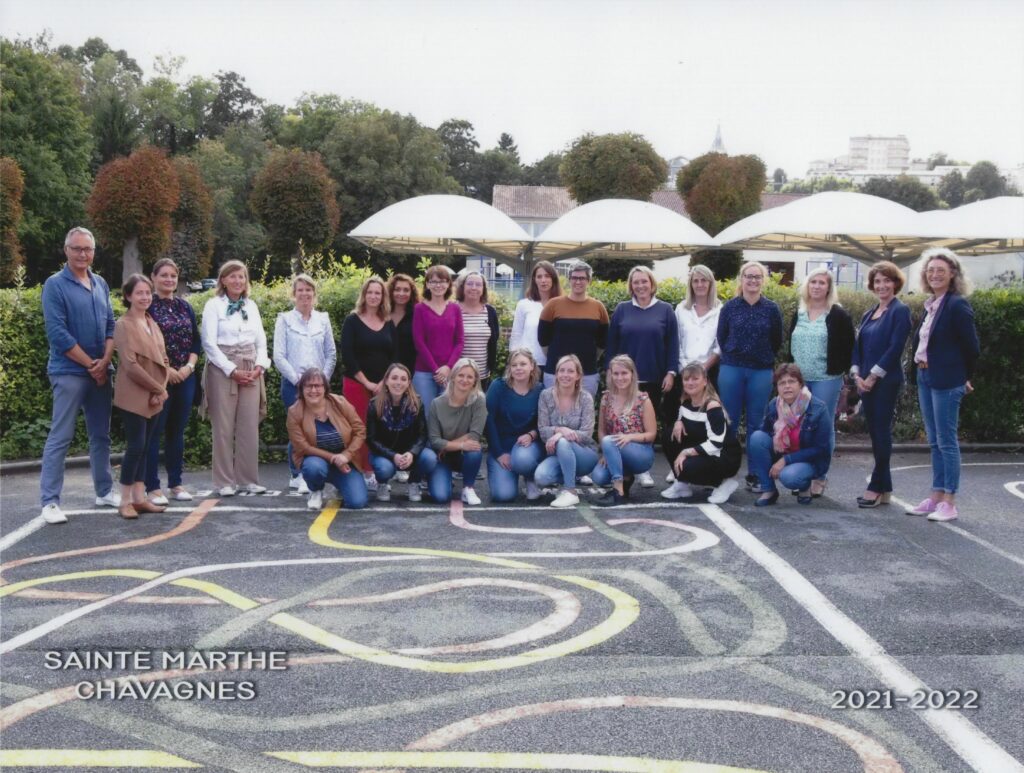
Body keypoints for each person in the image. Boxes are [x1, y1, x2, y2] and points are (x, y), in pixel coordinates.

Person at [39, 227, 120, 525]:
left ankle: (104, 492)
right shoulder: (55, 285)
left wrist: (105, 361)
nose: (82, 254)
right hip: (69, 372)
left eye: (87, 249)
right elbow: (57, 334)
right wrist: (91, 365)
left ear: (94, 252)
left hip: (100, 372)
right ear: (66, 250)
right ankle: (49, 502)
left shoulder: (100, 284)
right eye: (77, 248)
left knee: (101, 435)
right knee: (61, 436)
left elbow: (111, 325)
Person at [905, 248, 980, 522]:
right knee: (935, 441)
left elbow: (972, 347)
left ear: (952, 275)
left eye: (941, 270)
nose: (934, 274)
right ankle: (935, 496)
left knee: (947, 442)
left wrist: (965, 377)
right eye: (931, 270)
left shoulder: (957, 304)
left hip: (947, 380)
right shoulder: (932, 304)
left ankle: (949, 500)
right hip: (926, 376)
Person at [200, 260, 270, 497]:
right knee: (223, 427)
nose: (238, 281)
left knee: (249, 425)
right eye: (233, 277)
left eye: (241, 277)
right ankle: (223, 482)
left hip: (251, 367)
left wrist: (260, 365)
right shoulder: (213, 305)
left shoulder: (251, 306)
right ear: (223, 280)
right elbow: (209, 342)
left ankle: (247, 480)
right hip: (223, 369)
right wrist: (231, 369)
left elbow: (261, 340)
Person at [605, 265, 677, 488]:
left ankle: (643, 469)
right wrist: (610, 372)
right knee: (623, 424)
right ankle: (622, 468)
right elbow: (611, 345)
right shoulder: (622, 309)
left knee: (645, 427)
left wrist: (671, 372)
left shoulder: (665, 310)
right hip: (624, 380)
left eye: (644, 281)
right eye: (636, 282)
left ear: (651, 283)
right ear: (631, 286)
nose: (640, 286)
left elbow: (673, 344)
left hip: (654, 378)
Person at [786, 267, 854, 497]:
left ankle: (819, 477)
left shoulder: (837, 314)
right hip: (800, 380)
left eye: (822, 283)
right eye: (813, 282)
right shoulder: (800, 311)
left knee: (822, 430)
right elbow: (790, 345)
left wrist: (841, 371)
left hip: (827, 378)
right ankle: (803, 475)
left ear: (829, 287)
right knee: (800, 429)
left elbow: (849, 346)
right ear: (807, 285)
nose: (817, 286)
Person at [716, 261, 784, 488]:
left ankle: (755, 474)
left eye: (757, 277)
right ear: (741, 279)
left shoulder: (771, 309)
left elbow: (777, 340)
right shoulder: (730, 307)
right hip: (732, 368)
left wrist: (761, 357)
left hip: (761, 371)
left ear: (763, 280)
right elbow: (722, 337)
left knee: (757, 424)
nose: (753, 280)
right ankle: (726, 472)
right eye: (748, 276)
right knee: (729, 422)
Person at [851, 261, 912, 508]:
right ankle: (885, 489)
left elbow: (895, 348)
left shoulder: (900, 310)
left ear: (895, 283)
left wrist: (873, 376)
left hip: (885, 381)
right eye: (877, 281)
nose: (882, 285)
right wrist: (857, 375)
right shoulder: (869, 313)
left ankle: (876, 486)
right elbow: (858, 348)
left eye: (887, 280)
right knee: (875, 434)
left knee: (881, 432)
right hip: (864, 381)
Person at [112, 274, 171, 519]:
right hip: (134, 395)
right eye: (139, 293)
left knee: (146, 448)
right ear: (128, 296)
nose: (145, 297)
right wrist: (158, 389)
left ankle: (139, 498)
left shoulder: (152, 322)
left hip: (156, 395)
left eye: (147, 292)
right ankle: (124, 500)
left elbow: (165, 360)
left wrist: (162, 389)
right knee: (135, 447)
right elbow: (130, 364)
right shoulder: (123, 325)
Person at [273, 274, 337, 496]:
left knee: (316, 429)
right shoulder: (284, 319)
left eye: (309, 290)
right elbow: (278, 355)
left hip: (319, 386)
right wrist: (299, 381)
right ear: (294, 294)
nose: (304, 294)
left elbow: (331, 353)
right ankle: (297, 474)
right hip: (294, 384)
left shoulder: (323, 319)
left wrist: (322, 380)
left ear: (314, 294)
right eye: (300, 290)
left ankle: (311, 471)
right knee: (298, 430)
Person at [666, 264, 722, 485]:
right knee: (679, 420)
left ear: (710, 283)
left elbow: (720, 345)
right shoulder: (681, 309)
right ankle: (676, 467)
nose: (700, 285)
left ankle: (701, 467)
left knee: (703, 421)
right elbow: (676, 341)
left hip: (709, 372)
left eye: (704, 281)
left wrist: (703, 370)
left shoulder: (720, 309)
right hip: (683, 372)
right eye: (696, 281)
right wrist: (686, 372)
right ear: (691, 284)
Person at [748, 364, 834, 506]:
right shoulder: (774, 405)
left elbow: (820, 448)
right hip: (784, 453)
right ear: (777, 387)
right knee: (757, 438)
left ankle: (804, 485)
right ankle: (769, 490)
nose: (787, 386)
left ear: (800, 384)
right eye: (782, 383)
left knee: (789, 477)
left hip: (810, 461)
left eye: (791, 381)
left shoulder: (818, 408)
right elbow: (765, 433)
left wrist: (785, 460)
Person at [340, 276, 394, 492]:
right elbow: (348, 355)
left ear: (383, 297)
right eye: (370, 292)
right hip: (356, 383)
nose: (373, 296)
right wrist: (368, 383)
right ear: (364, 295)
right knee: (359, 428)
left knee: (381, 428)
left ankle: (380, 473)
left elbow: (394, 354)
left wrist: (382, 382)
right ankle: (363, 471)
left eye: (378, 293)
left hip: (384, 386)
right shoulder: (352, 321)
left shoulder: (388, 322)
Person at [287, 368, 368, 511]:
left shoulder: (340, 402)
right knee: (314, 468)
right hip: (316, 461)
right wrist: (334, 458)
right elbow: (302, 447)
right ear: (302, 389)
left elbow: (360, 430)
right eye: (308, 386)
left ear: (325, 388)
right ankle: (315, 490)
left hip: (345, 461)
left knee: (357, 502)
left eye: (318, 385)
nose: (313, 390)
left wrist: (346, 455)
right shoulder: (294, 412)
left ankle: (340, 487)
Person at [661, 363, 741, 504]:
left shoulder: (712, 406)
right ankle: (682, 484)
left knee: (686, 467)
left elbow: (716, 443)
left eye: (695, 379)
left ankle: (723, 483)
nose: (690, 382)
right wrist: (678, 422)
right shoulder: (686, 402)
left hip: (724, 455)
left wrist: (686, 452)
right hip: (705, 450)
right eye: (686, 379)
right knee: (669, 435)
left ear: (705, 381)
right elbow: (684, 418)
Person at [366, 364, 437, 503]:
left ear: (409, 383)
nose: (398, 382)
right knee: (384, 468)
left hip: (409, 453)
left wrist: (412, 453)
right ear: (386, 380)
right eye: (394, 378)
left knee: (430, 458)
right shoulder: (374, 405)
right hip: (385, 454)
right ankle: (382, 483)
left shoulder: (417, 403)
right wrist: (393, 456)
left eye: (403, 379)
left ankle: (414, 482)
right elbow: (371, 439)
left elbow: (422, 435)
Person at [591, 355, 657, 506]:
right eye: (616, 373)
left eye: (624, 373)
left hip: (640, 453)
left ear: (632, 374)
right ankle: (626, 478)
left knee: (610, 440)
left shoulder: (643, 400)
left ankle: (618, 490)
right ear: (611, 374)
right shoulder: (606, 399)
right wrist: (606, 452)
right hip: (614, 448)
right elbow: (601, 431)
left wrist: (630, 437)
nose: (620, 377)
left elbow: (652, 434)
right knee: (598, 477)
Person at [534, 355, 599, 508]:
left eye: (570, 371)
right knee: (541, 477)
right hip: (558, 454)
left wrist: (559, 435)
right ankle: (569, 477)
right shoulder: (546, 396)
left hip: (585, 454)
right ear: (556, 374)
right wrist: (560, 429)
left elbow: (586, 435)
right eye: (561, 370)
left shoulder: (586, 398)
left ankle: (570, 491)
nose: (565, 375)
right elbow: (543, 431)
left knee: (563, 441)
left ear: (578, 376)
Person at [537, 261, 609, 397]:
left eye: (582, 278)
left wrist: (592, 357)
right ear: (569, 280)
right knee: (554, 413)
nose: (578, 282)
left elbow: (602, 342)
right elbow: (543, 340)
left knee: (583, 414)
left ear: (589, 281)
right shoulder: (553, 305)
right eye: (574, 278)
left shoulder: (598, 307)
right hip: (556, 373)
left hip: (587, 374)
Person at [485, 349, 545, 502]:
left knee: (523, 460)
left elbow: (545, 424)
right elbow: (488, 421)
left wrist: (531, 435)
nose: (518, 368)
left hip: (527, 446)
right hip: (502, 447)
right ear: (509, 368)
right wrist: (498, 453)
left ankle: (530, 477)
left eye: (523, 364)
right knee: (503, 495)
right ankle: (509, 473)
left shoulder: (540, 390)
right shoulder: (497, 387)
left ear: (532, 366)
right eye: (514, 365)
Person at [426, 358, 487, 505]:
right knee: (440, 497)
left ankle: (468, 488)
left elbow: (474, 434)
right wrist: (459, 445)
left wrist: (449, 446)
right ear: (453, 377)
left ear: (475, 381)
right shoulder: (437, 403)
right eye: (461, 375)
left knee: (474, 448)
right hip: (441, 457)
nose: (464, 380)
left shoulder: (479, 400)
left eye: (469, 377)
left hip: (459, 454)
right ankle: (438, 478)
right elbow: (434, 440)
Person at [412, 266, 464, 404]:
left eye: (442, 281)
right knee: (428, 416)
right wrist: (436, 370)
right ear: (427, 284)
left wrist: (448, 367)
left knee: (447, 416)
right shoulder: (419, 309)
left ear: (448, 284)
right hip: (424, 373)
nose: (438, 285)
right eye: (433, 281)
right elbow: (419, 342)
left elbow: (459, 342)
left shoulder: (455, 308)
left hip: (450, 372)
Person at [510, 260, 561, 371]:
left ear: (553, 279)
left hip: (554, 364)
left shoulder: (561, 304)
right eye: (539, 276)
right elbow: (516, 335)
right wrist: (514, 362)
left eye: (547, 276)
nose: (543, 280)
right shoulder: (524, 304)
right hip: (528, 364)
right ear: (534, 280)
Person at [456, 270, 500, 389]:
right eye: (470, 284)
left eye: (478, 284)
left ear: (483, 289)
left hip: (482, 374)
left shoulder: (490, 312)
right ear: (462, 286)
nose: (474, 288)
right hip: (458, 374)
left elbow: (494, 339)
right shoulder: (453, 309)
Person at [387, 273, 420, 374]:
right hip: (382, 371)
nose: (401, 293)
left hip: (410, 372)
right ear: (391, 291)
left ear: (412, 293)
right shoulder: (382, 314)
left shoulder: (417, 315)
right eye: (397, 289)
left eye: (406, 290)